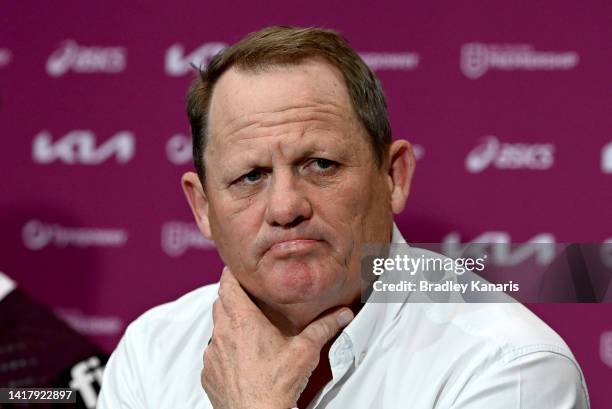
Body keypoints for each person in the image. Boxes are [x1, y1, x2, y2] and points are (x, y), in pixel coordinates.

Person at [98, 26, 590, 408]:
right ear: (202, 207)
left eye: (321, 165)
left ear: (393, 176)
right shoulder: (152, 349)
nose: (286, 207)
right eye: (250, 176)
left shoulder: (510, 365)